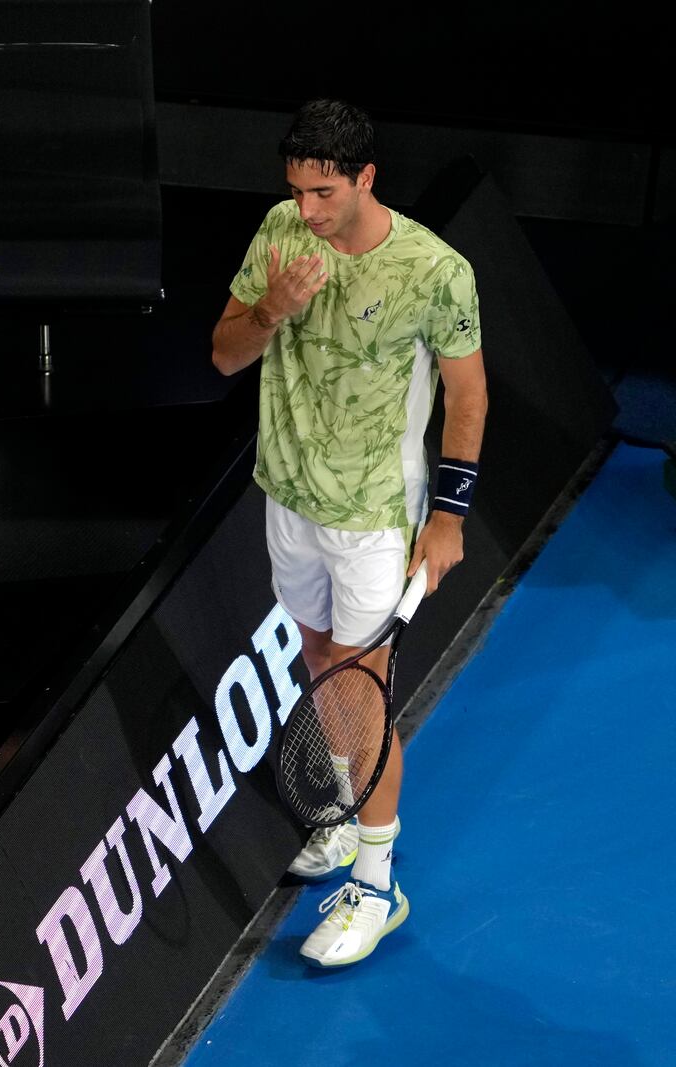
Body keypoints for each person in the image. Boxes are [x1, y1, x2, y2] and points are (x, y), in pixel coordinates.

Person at [210, 101, 488, 966]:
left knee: (362, 694)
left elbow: (469, 398)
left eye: (324, 192)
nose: (309, 211)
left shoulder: (434, 270)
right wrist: (273, 308)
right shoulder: (280, 233)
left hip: (373, 515)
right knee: (321, 659)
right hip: (287, 495)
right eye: (296, 190)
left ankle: (375, 884)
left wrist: (448, 516)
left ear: (366, 178)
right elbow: (223, 353)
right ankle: (336, 819)